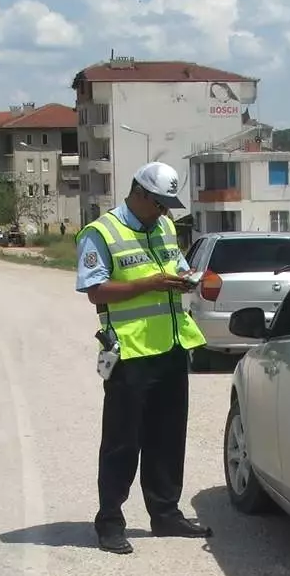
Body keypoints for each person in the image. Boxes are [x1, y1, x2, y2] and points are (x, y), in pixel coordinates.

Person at [75, 162, 214, 554]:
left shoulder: (165, 227)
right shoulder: (101, 232)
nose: (165, 211)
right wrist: (147, 285)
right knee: (122, 441)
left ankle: (166, 513)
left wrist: (191, 278)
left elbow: (178, 267)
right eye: (159, 203)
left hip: (171, 346)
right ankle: (110, 521)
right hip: (131, 353)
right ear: (139, 194)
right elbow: (95, 291)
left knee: (168, 437)